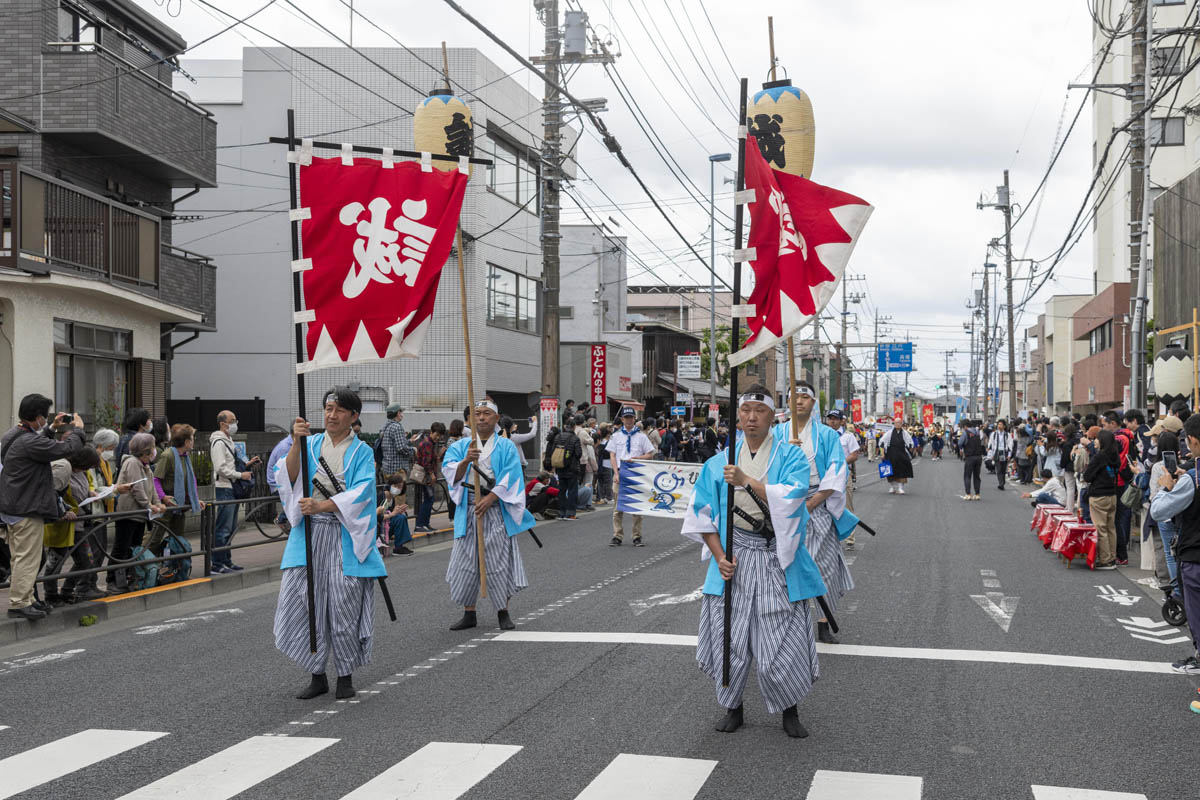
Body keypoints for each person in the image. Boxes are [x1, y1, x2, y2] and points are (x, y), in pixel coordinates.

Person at [681, 385, 825, 738]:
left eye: (758, 411)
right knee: (729, 636)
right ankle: (734, 708)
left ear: (772, 415)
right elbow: (702, 516)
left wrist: (747, 482)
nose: (750, 417)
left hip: (778, 555)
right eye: (744, 410)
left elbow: (794, 500)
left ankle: (789, 710)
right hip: (734, 556)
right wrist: (719, 556)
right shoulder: (719, 462)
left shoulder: (790, 457)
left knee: (781, 639)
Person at [274, 388, 385, 701]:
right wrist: (296, 442)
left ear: (353, 416)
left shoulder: (362, 452)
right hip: (307, 535)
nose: (331, 415)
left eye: (338, 410)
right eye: (327, 408)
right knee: (307, 601)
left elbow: (363, 493)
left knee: (344, 603)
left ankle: (345, 675)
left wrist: (322, 506)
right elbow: (287, 475)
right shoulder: (308, 444)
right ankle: (317, 673)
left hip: (344, 535)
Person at [441, 398, 535, 632]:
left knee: (499, 562)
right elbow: (449, 472)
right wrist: (465, 461)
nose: (481, 418)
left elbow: (512, 477)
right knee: (466, 562)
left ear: (496, 418)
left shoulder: (506, 446)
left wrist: (491, 497)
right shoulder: (461, 446)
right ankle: (469, 612)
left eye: (486, 414)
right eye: (477, 414)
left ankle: (503, 610)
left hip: (495, 510)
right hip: (469, 508)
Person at [775, 383, 852, 643]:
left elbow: (837, 472)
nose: (799, 401)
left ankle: (822, 621)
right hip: (784, 502)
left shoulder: (828, 436)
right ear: (787, 402)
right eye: (793, 397)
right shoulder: (777, 433)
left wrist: (811, 503)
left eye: (805, 397)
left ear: (813, 403)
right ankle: (787, 621)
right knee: (784, 562)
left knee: (824, 565)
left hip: (817, 501)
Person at [0, 396, 86, 619]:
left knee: (21, 557)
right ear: (37, 417)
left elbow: (39, 446)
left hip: (14, 505)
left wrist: (50, 429)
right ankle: (19, 603)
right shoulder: (29, 442)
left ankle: (27, 599)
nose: (45, 420)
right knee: (27, 558)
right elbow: (67, 449)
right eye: (44, 417)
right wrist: (77, 429)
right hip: (26, 508)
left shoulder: (14, 434)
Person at [1148, 413, 1200, 688]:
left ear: (1192, 441)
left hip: (1195, 556)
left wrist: (1169, 487)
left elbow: (1159, 511)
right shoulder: (1191, 476)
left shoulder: (1192, 478)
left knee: (1196, 612)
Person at [42, 447, 104, 605]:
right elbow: (52, 493)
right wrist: (64, 511)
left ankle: (67, 590)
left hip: (78, 522)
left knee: (86, 560)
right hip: (61, 523)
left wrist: (90, 492)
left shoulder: (80, 472)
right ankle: (51, 595)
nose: (88, 469)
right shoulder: (64, 469)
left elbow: (83, 488)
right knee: (55, 562)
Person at [114, 432, 167, 590]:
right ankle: (113, 580)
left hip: (139, 515)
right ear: (145, 450)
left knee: (135, 548)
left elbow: (152, 490)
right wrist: (149, 505)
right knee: (121, 548)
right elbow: (137, 488)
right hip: (128, 512)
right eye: (152, 447)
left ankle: (132, 578)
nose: (154, 450)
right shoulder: (132, 463)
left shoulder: (146, 467)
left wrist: (157, 503)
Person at [210, 410, 259, 573]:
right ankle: (217, 563)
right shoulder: (218, 442)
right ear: (223, 424)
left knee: (229, 528)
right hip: (224, 487)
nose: (235, 424)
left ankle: (226, 560)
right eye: (232, 421)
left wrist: (247, 465)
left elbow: (231, 465)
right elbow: (221, 468)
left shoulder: (229, 441)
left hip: (231, 487)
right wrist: (240, 474)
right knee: (223, 528)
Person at [150, 424, 204, 556]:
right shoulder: (168, 455)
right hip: (165, 505)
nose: (193, 441)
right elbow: (156, 479)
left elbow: (189, 482)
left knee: (178, 539)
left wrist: (195, 499)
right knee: (153, 539)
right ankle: (143, 568)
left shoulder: (185, 457)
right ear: (186, 442)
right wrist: (163, 497)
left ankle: (174, 568)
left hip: (179, 505)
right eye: (192, 438)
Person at [609, 407, 656, 546]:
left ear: (635, 419)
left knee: (637, 506)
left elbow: (650, 453)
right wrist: (615, 473)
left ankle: (637, 536)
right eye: (626, 418)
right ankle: (617, 535)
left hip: (636, 473)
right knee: (617, 508)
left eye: (631, 417)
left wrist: (638, 458)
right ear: (622, 419)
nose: (629, 420)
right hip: (620, 472)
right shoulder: (616, 436)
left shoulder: (641, 436)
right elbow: (612, 455)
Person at [1084, 429, 1128, 571]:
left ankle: (1105, 560)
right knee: (1110, 528)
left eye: (1097, 438)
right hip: (1112, 494)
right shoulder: (1115, 456)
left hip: (1099, 495)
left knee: (1100, 528)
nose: (1095, 441)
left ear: (1102, 441)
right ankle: (1112, 557)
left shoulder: (1099, 457)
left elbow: (1087, 476)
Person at [826, 409, 861, 549]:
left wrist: (840, 463)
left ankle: (850, 538)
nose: (832, 421)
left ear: (842, 421)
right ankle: (830, 538)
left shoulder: (848, 437)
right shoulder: (824, 435)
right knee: (827, 507)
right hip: (827, 476)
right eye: (830, 418)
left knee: (847, 506)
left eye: (835, 418)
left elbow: (854, 455)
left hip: (843, 475)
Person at [412, 422, 446, 533]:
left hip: (428, 476)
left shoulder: (430, 443)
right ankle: (420, 525)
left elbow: (431, 459)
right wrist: (432, 475)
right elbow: (426, 462)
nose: (438, 437)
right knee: (428, 499)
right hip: (426, 476)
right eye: (437, 434)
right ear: (431, 432)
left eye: (440, 435)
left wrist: (439, 455)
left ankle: (425, 524)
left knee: (428, 499)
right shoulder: (427, 443)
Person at [552, 418, 583, 521]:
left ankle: (561, 513)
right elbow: (578, 454)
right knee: (572, 491)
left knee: (561, 490)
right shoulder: (575, 438)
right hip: (572, 468)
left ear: (565, 426)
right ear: (574, 427)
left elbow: (553, 451)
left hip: (560, 468)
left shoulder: (557, 437)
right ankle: (570, 514)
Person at [378, 472, 413, 556]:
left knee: (401, 516)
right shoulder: (382, 496)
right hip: (379, 528)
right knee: (399, 518)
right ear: (390, 485)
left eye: (400, 487)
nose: (397, 489)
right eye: (395, 486)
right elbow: (378, 517)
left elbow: (390, 513)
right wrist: (393, 514)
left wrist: (397, 511)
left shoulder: (392, 498)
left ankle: (399, 546)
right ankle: (398, 547)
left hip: (386, 525)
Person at [880, 418, 914, 495]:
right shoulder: (889, 432)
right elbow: (882, 442)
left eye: (899, 422)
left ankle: (900, 488)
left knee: (902, 470)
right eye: (896, 423)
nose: (898, 424)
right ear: (894, 424)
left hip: (902, 453)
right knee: (890, 471)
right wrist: (882, 454)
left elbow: (910, 443)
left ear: (902, 424)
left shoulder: (905, 433)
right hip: (891, 453)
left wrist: (910, 453)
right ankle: (892, 487)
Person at [379, 404, 414, 478]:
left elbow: (393, 445)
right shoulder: (397, 427)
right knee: (398, 489)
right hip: (397, 470)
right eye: (401, 412)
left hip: (387, 467)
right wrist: (413, 450)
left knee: (390, 489)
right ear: (398, 413)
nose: (402, 414)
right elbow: (401, 448)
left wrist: (410, 441)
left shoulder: (386, 427)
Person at [960, 420, 985, 501]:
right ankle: (977, 494)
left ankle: (968, 494)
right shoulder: (978, 432)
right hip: (978, 457)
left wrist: (962, 447)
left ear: (965, 426)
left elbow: (960, 443)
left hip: (970, 457)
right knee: (977, 476)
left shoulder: (965, 433)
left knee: (967, 476)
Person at [987, 420, 1014, 491]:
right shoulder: (994, 434)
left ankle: (1002, 482)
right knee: (998, 469)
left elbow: (1010, 445)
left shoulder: (1007, 435)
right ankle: (1001, 484)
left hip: (1004, 452)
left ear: (1004, 426)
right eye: (998, 424)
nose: (999, 426)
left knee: (1003, 469)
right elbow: (990, 444)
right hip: (997, 452)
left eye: (1001, 424)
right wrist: (991, 454)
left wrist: (1009, 455)